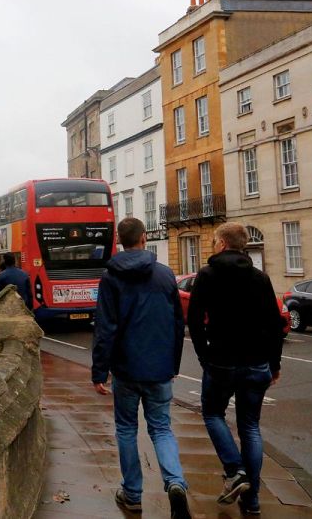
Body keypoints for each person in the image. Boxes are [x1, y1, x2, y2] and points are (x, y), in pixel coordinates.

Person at [92, 217, 191, 519]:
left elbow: (105, 328)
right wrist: (173, 363)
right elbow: (177, 324)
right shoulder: (164, 275)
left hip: (126, 369)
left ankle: (132, 493)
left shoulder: (111, 278)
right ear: (144, 238)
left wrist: (99, 371)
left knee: (126, 428)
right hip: (159, 369)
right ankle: (175, 483)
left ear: (120, 241)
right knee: (162, 428)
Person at [187, 222, 283, 516]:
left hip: (221, 361)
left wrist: (205, 356)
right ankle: (251, 501)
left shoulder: (207, 275)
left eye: (215, 241)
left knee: (213, 413)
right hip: (256, 362)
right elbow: (274, 324)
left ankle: (234, 469)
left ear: (223, 244)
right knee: (250, 427)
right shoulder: (260, 278)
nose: (214, 245)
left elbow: (193, 319)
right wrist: (274, 364)